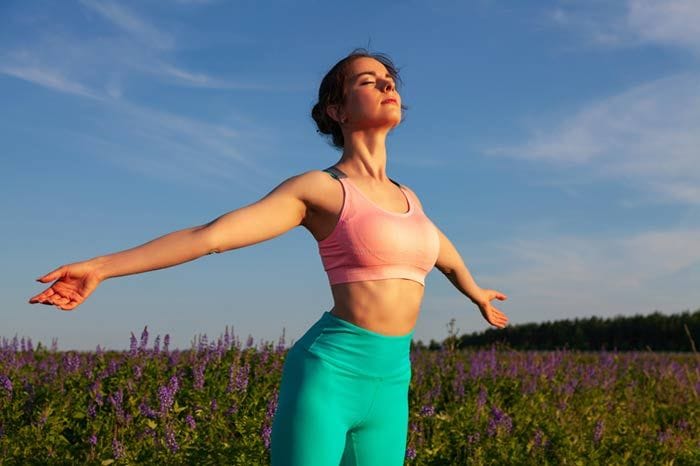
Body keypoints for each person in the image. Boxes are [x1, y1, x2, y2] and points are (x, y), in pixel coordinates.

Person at [28, 48, 509, 465]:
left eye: (390, 80)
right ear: (336, 110)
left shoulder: (410, 199)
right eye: (369, 80)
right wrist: (102, 268)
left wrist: (476, 293)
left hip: (392, 380)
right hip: (330, 374)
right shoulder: (321, 189)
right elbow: (211, 235)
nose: (387, 84)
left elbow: (441, 250)